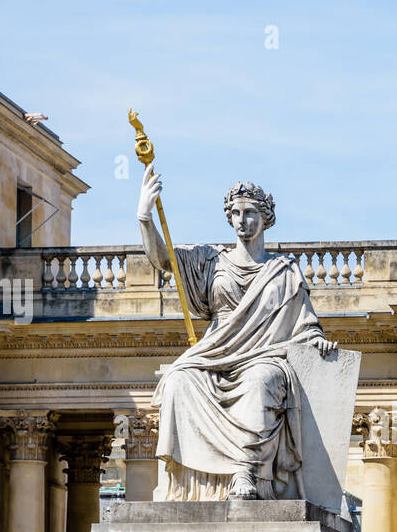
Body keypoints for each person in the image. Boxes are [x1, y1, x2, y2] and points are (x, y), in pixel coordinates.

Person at [137, 164, 335, 499]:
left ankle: (246, 472)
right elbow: (163, 259)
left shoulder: (283, 271)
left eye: (250, 213)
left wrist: (315, 340)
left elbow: (304, 324)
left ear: (266, 217)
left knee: (261, 381)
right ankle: (187, 483)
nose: (242, 221)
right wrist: (145, 217)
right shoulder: (210, 260)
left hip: (265, 355)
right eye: (236, 213)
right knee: (178, 380)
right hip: (216, 353)